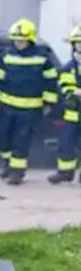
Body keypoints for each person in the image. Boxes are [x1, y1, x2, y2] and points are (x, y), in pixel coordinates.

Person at [0, 18, 59, 185]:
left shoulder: (43, 58)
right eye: (16, 39)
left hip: (30, 108)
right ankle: (8, 163)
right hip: (7, 106)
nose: (19, 43)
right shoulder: (5, 56)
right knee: (2, 137)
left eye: (22, 39)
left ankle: (17, 172)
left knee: (22, 139)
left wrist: (48, 103)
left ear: (30, 39)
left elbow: (51, 82)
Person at [49, 26, 81, 184]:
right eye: (77, 44)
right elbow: (63, 85)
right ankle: (65, 172)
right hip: (72, 114)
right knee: (66, 142)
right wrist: (72, 92)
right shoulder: (69, 67)